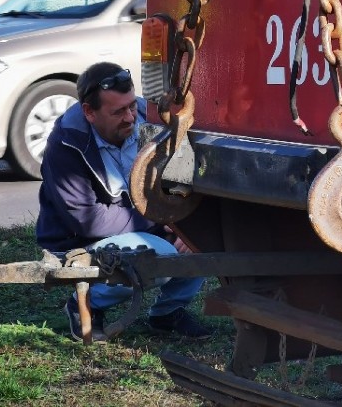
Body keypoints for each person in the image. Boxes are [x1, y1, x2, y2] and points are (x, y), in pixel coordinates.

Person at [35, 61, 211, 342]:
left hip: (147, 224)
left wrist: (182, 226)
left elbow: (181, 177)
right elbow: (90, 220)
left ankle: (167, 314)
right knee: (159, 255)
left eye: (131, 105)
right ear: (89, 112)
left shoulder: (148, 115)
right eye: (118, 112)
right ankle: (85, 305)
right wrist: (162, 221)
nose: (130, 117)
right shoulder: (65, 145)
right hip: (81, 239)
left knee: (199, 239)